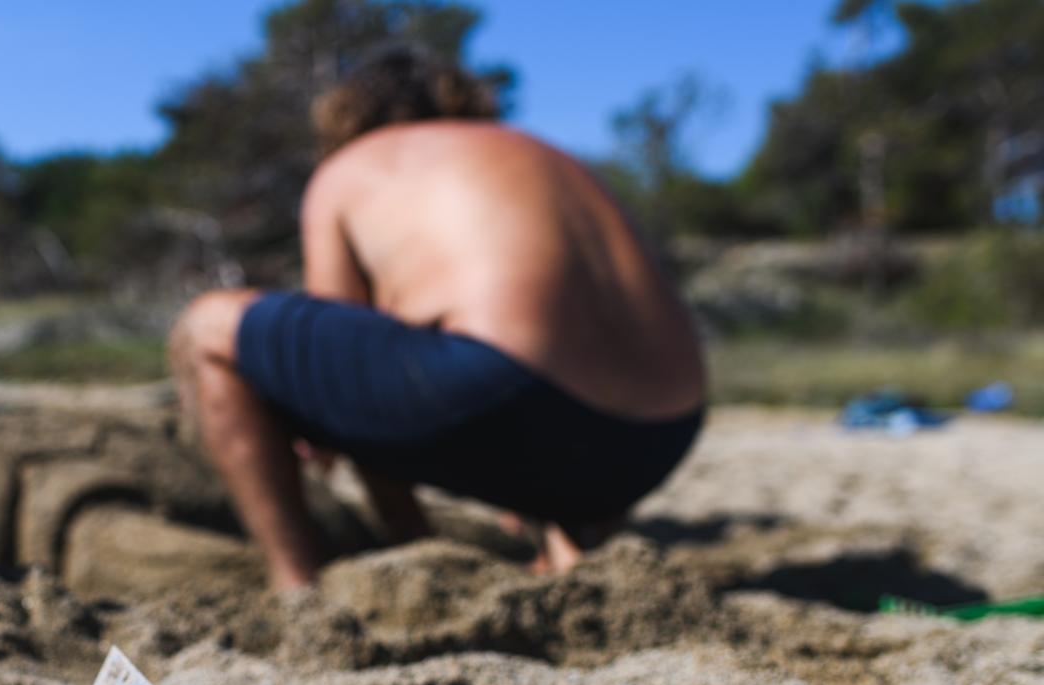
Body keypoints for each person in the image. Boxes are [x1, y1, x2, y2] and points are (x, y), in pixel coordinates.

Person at [168, 48, 705, 591]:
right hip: (660, 437)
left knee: (209, 327)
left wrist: (307, 423)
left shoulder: (353, 165)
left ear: (348, 119)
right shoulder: (543, 153)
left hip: (508, 395)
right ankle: (561, 543)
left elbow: (350, 330)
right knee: (510, 352)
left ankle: (297, 584)